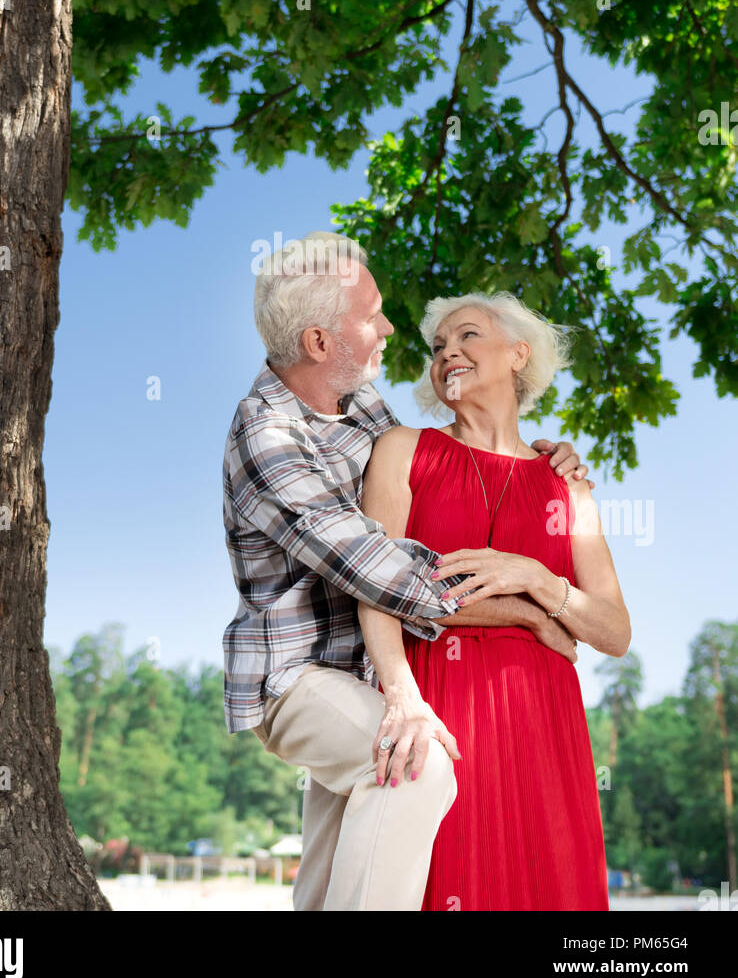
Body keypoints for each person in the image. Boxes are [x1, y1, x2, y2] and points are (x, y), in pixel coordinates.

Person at [222, 232, 593, 911]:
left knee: (332, 877)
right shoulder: (267, 437)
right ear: (318, 343)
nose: (391, 326)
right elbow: (384, 571)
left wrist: (546, 458)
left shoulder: (360, 406)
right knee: (416, 773)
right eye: (371, 315)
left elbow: (445, 467)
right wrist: (529, 608)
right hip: (298, 675)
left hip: (359, 668)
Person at [358, 292, 630, 911]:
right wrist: (533, 618)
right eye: (437, 347)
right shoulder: (404, 450)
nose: (448, 352)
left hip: (545, 720)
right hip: (437, 705)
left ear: (517, 355)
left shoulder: (566, 485)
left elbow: (614, 631)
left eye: (467, 336)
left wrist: (538, 578)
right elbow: (376, 589)